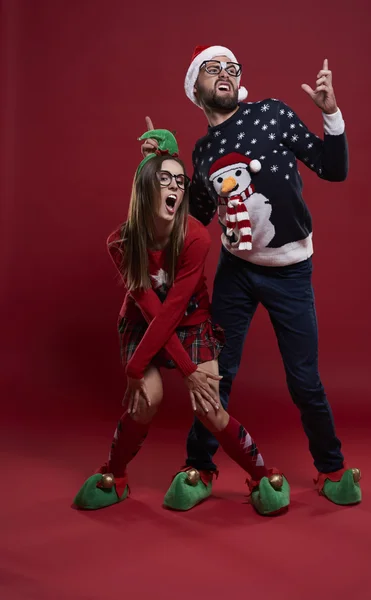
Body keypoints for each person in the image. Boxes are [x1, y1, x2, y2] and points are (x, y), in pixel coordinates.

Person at [142, 45, 362, 512]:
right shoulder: (202, 152)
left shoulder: (272, 114)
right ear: (195, 90)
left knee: (304, 380)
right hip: (237, 273)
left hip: (291, 273)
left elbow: (334, 168)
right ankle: (198, 466)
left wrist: (332, 113)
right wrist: (159, 169)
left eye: (232, 67)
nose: (225, 72)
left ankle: (333, 468)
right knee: (216, 374)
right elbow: (193, 221)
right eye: (213, 68)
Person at [73, 128, 291, 516]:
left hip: (191, 322)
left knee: (210, 407)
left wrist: (190, 371)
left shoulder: (195, 237)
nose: (176, 186)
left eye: (180, 180)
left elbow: (173, 311)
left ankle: (263, 475)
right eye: (164, 178)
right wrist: (138, 368)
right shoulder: (121, 243)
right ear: (144, 187)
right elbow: (150, 311)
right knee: (146, 401)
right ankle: (115, 475)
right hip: (142, 324)